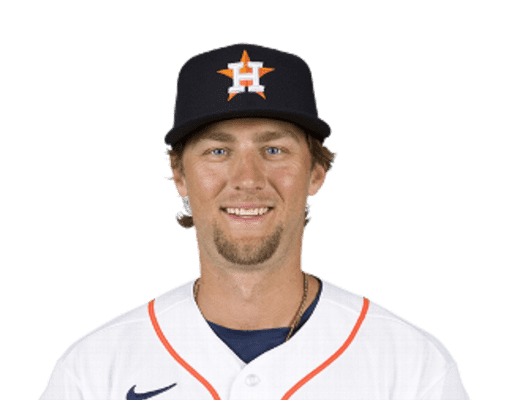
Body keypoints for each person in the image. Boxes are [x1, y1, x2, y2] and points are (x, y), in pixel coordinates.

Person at [40, 43, 470, 399]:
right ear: (180, 175)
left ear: (316, 171)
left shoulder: (411, 365)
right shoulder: (94, 369)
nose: (248, 179)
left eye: (274, 150)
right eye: (218, 151)